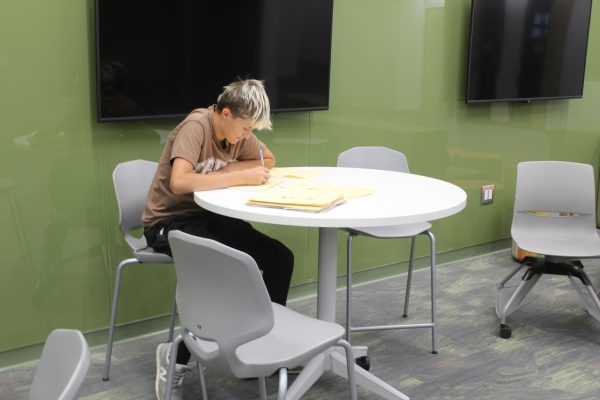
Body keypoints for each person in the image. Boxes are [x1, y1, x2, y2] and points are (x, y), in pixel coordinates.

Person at [142, 79, 294, 400]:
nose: (248, 136)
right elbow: (181, 182)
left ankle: (262, 347)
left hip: (209, 215)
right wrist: (237, 175)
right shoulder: (196, 127)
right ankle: (176, 356)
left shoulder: (240, 134)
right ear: (225, 114)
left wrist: (239, 167)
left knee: (280, 258)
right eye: (245, 128)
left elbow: (268, 160)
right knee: (222, 271)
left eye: (253, 130)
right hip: (168, 222)